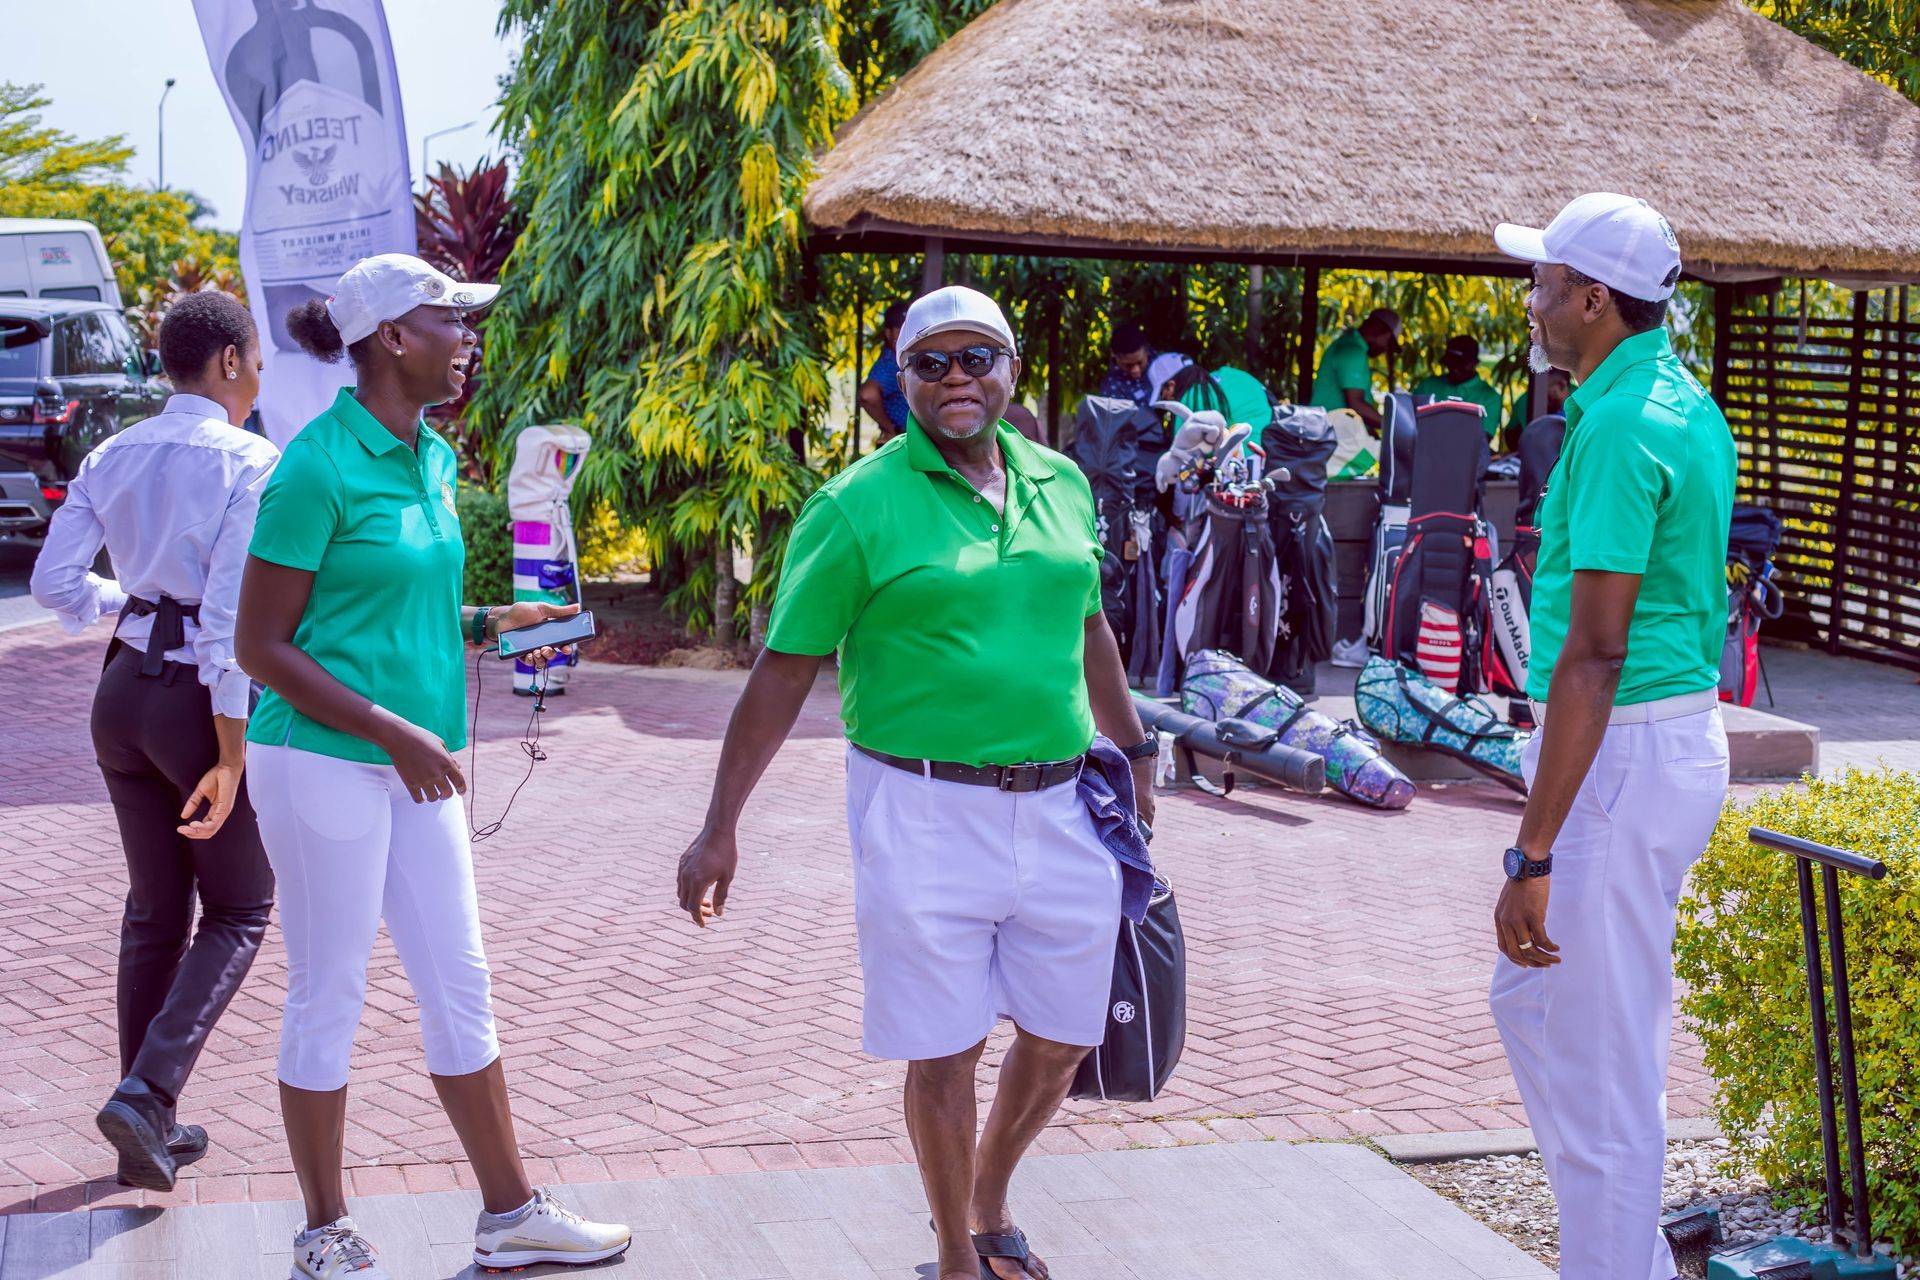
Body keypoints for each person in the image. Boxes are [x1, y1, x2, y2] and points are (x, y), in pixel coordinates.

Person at [675, 285, 1157, 1280]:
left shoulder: (1063, 482)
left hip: (1066, 803)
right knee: (943, 1048)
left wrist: (1137, 749)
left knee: (1066, 1034)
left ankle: (989, 1196)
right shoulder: (855, 506)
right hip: (922, 807)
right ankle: (954, 1254)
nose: (956, 379)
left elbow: (1090, 624)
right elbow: (783, 670)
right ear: (902, 382)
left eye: (977, 357)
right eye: (931, 363)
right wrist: (721, 823)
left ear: (1011, 368)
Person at [234, 254, 629, 1279]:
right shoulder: (314, 467)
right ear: (392, 338)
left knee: (461, 981)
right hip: (320, 759)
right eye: (449, 319)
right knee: (330, 989)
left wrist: (493, 620)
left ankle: (511, 1216)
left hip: (414, 760)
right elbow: (261, 646)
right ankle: (323, 1232)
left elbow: (389, 606)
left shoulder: (436, 456)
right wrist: (393, 732)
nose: (467, 336)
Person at [1486, 193, 1735, 1280]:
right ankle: (1625, 1255)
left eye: (1542, 282)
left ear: (1592, 299)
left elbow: (1595, 652)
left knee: (1604, 1061)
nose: (1529, 301)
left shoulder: (1627, 423)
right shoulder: (1671, 400)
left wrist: (1532, 854)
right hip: (1645, 744)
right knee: (1537, 1005)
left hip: (1622, 749)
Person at [28, 291, 279, 1194]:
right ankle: (147, 1094)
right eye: (256, 363)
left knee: (155, 910)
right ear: (228, 361)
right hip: (193, 705)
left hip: (119, 695)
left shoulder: (111, 452)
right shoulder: (252, 461)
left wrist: (130, 602)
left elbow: (55, 583)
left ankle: (147, 1123)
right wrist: (231, 752)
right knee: (241, 908)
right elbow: (227, 623)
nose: (259, 380)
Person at [1308, 307, 1400, 429]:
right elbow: (1356, 405)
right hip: (1332, 432)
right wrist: (1393, 427)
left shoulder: (1351, 345)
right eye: (1388, 341)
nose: (1385, 349)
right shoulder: (1353, 351)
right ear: (1378, 329)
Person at [1413, 335, 1505, 437]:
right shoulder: (1427, 386)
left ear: (1474, 363)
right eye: (1450, 364)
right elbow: (1410, 426)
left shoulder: (1490, 398)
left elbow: (1481, 441)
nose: (1455, 369)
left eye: (1460, 365)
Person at [858, 299, 911, 440]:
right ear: (888, 333)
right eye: (900, 329)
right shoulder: (891, 363)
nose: (906, 335)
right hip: (905, 438)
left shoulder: (906, 358)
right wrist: (891, 429)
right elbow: (867, 395)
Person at [1502, 367, 1573, 451]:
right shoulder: (1527, 401)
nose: (1545, 402)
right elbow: (1535, 440)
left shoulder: (1577, 395)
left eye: (1549, 397)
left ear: (1562, 386)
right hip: (1521, 438)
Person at [1098, 320, 1154, 406]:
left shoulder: (1164, 363)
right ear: (1113, 354)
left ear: (1146, 350)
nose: (1136, 370)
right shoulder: (1111, 388)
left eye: (1140, 363)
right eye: (1128, 365)